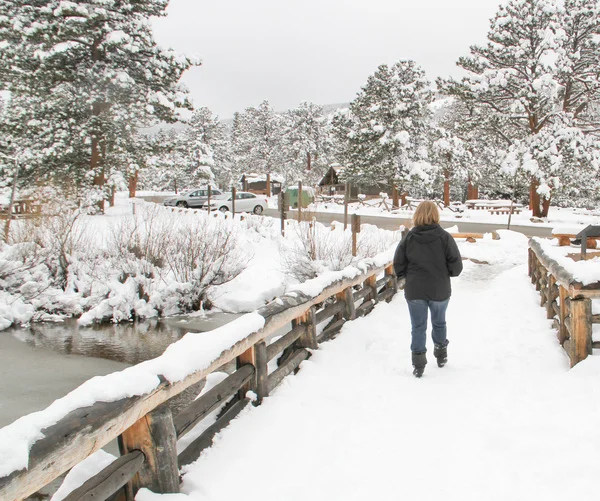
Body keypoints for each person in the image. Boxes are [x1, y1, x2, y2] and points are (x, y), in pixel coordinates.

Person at [393, 201, 463, 378]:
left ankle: (418, 364)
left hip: (415, 289)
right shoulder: (445, 237)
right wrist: (446, 273)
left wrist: (405, 276)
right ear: (436, 215)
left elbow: (398, 263)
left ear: (417, 215)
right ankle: (441, 354)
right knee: (439, 322)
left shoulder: (409, 238)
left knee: (418, 326)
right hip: (439, 289)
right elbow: (456, 266)